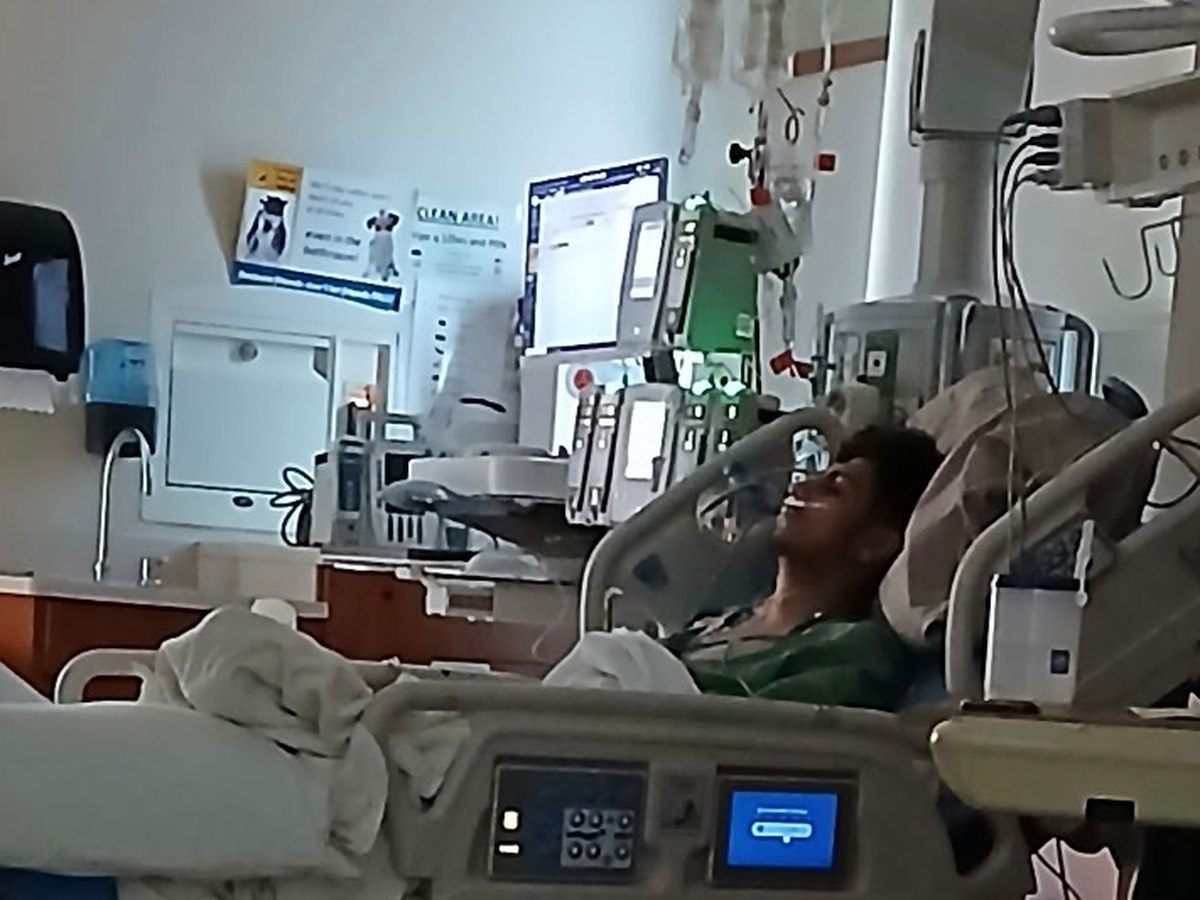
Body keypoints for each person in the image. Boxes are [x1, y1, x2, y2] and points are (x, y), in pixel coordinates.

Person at [661, 424, 945, 711]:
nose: (798, 487)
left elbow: (742, 730)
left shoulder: (854, 649)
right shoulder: (723, 621)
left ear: (874, 544)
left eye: (834, 489)